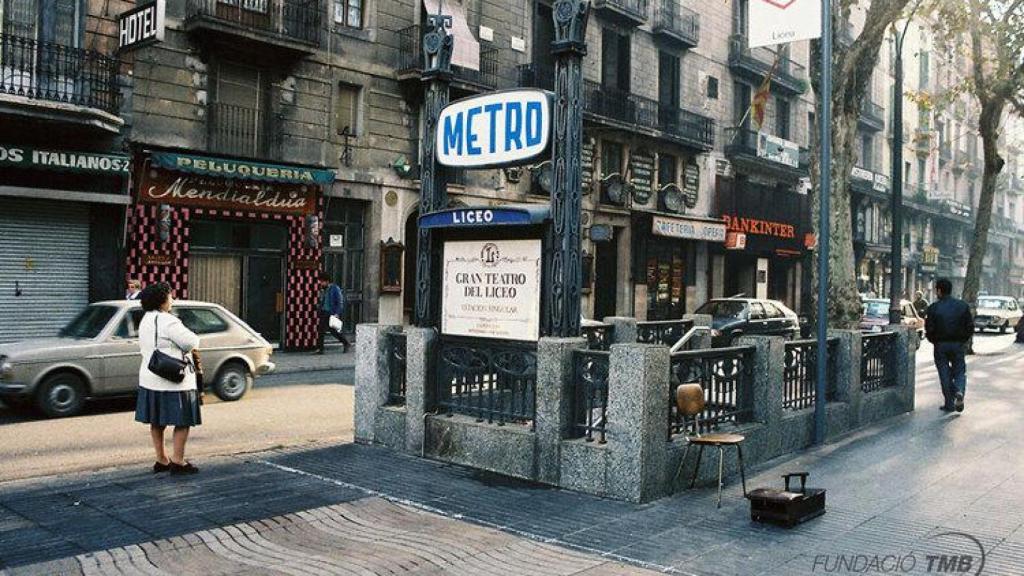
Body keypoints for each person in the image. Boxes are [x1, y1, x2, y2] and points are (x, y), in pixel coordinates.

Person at [135, 282, 202, 474]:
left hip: (150, 378)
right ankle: (178, 461)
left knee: (157, 421)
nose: (172, 299)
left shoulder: (145, 319)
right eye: (170, 296)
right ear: (162, 300)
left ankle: (161, 459)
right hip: (174, 381)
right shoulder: (168, 321)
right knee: (183, 421)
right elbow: (191, 342)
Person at [925, 278, 973, 413]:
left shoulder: (933, 308)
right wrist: (963, 340)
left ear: (939, 291)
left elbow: (929, 329)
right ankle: (959, 390)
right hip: (958, 344)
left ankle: (949, 403)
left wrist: (934, 340)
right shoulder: (962, 306)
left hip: (940, 345)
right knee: (959, 371)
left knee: (944, 373)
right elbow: (969, 327)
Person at [317, 271, 350, 354]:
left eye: (322, 281)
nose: (321, 283)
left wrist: (337, 313)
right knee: (321, 330)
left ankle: (346, 343)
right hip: (324, 311)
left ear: (327, 281)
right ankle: (321, 349)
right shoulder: (323, 290)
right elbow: (322, 300)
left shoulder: (335, 288)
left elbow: (340, 301)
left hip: (331, 312)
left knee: (333, 331)